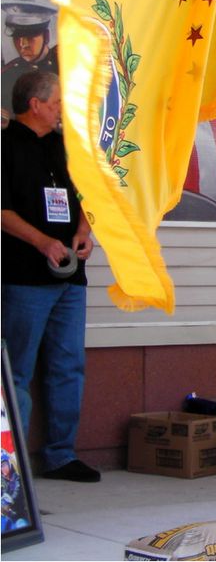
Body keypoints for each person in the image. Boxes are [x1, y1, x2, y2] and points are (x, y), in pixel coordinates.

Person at [1, 71, 100, 482]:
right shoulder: (6, 144)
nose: (62, 108)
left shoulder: (65, 146)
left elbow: (87, 193)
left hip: (69, 278)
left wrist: (84, 230)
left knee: (68, 365)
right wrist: (43, 242)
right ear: (36, 104)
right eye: (57, 101)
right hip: (24, 277)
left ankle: (60, 454)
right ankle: (11, 465)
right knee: (16, 371)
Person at [1, 4, 58, 129]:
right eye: (17, 37)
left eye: (30, 37)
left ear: (46, 36)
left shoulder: (66, 66)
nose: (22, 44)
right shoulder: (6, 76)